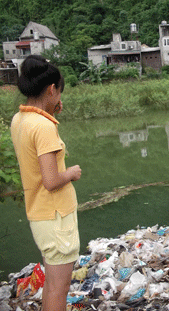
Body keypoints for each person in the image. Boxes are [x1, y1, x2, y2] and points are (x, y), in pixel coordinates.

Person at [10, 55, 82, 311]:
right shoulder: (43, 127)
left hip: (40, 214)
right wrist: (72, 172)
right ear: (52, 89)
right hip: (56, 216)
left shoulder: (20, 120)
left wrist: (50, 110)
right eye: (59, 92)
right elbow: (51, 181)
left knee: (52, 284)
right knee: (58, 288)